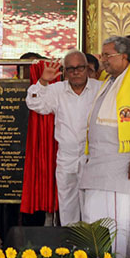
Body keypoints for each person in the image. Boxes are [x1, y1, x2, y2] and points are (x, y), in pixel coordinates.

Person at [80, 36, 130, 258]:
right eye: (102, 55)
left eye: (107, 55)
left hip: (121, 167)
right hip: (99, 166)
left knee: (118, 224)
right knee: (96, 220)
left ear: (124, 57)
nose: (103, 60)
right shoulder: (108, 82)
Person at [25, 50, 102, 226]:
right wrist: (43, 82)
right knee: (68, 208)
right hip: (67, 158)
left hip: (94, 157)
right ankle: (72, 243)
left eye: (80, 68)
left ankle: (93, 243)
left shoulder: (100, 88)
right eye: (71, 69)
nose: (76, 72)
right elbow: (34, 103)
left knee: (94, 207)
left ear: (87, 68)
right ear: (65, 71)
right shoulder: (56, 90)